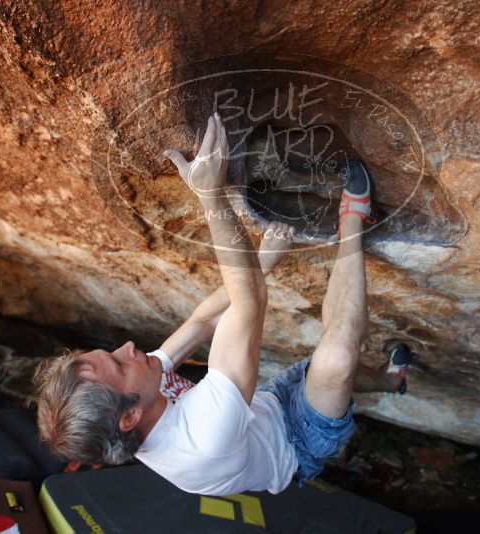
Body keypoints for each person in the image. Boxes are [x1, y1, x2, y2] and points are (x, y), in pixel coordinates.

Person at [33, 113, 411, 496]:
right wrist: (210, 196)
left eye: (110, 353)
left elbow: (202, 322)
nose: (128, 348)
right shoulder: (201, 441)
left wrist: (264, 262)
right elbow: (249, 304)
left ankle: (393, 382)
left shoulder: (136, 389)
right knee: (337, 358)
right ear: (129, 416)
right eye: (117, 362)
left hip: (261, 407)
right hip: (297, 443)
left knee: (325, 372)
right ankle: (352, 223)